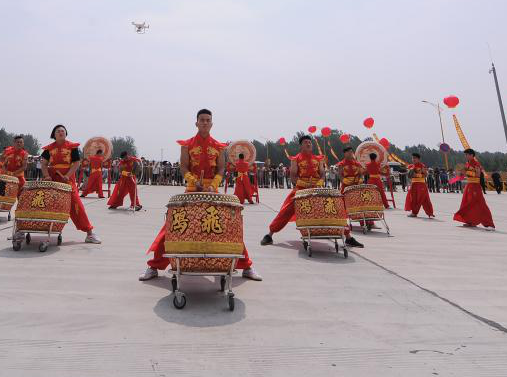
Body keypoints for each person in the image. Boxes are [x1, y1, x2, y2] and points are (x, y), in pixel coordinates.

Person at [140, 109, 261, 281]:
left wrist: (213, 185)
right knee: (172, 228)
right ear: (196, 123)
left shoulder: (219, 146)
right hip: (191, 189)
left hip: (212, 191)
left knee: (227, 228)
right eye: (202, 120)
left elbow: (220, 168)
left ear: (212, 124)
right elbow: (183, 166)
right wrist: (193, 181)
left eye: (208, 120)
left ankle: (246, 266)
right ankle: (154, 266)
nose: (205, 122)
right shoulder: (187, 144)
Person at [260, 135, 364, 249]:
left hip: (316, 188)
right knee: (286, 210)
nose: (308, 143)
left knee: (333, 209)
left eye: (309, 142)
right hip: (300, 189)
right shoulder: (296, 159)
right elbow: (293, 176)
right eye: (305, 142)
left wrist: (320, 181)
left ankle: (348, 237)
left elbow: (322, 173)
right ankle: (270, 234)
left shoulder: (318, 158)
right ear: (301, 145)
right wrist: (302, 183)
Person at [40, 125, 101, 243]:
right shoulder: (48, 148)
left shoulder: (72, 147)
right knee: (50, 204)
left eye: (63, 131)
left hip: (68, 180)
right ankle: (48, 229)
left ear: (66, 133)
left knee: (76, 204)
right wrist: (46, 175)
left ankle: (89, 233)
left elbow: (76, 163)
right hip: (53, 180)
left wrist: (67, 176)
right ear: (54, 134)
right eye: (58, 131)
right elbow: (44, 164)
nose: (61, 132)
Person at [452, 149, 495, 229]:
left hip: (475, 186)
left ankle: (489, 223)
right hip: (469, 185)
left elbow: (478, 174)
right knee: (466, 203)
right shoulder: (467, 164)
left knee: (480, 204)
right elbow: (464, 175)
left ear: (472, 155)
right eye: (465, 155)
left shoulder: (476, 164)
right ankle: (470, 221)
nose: (466, 156)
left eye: (467, 154)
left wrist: (466, 172)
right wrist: (458, 175)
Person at [404, 152, 434, 218]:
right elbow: (409, 176)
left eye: (415, 158)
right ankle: (414, 213)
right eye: (412, 158)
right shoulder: (410, 166)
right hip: (414, 184)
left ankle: (430, 213)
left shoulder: (422, 166)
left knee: (425, 199)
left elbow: (426, 175)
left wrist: (417, 175)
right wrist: (410, 173)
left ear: (418, 159)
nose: (413, 159)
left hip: (421, 184)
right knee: (414, 199)